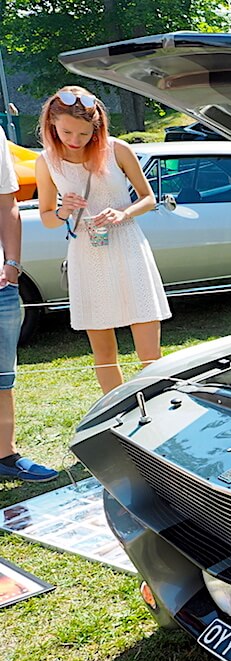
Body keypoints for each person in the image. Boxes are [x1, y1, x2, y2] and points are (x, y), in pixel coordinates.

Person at [35, 86, 171, 394]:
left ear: (96, 127)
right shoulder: (46, 162)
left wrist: (123, 214)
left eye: (84, 134)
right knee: (104, 354)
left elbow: (148, 199)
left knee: (150, 353)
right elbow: (46, 217)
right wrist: (62, 210)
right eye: (67, 131)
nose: (75, 140)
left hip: (127, 246)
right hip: (87, 252)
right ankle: (116, 414)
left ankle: (161, 411)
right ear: (52, 123)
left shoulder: (116, 149)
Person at [0, 125, 58, 482]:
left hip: (1, 284)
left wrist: (12, 265)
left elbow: (7, 203)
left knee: (3, 378)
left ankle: (5, 455)